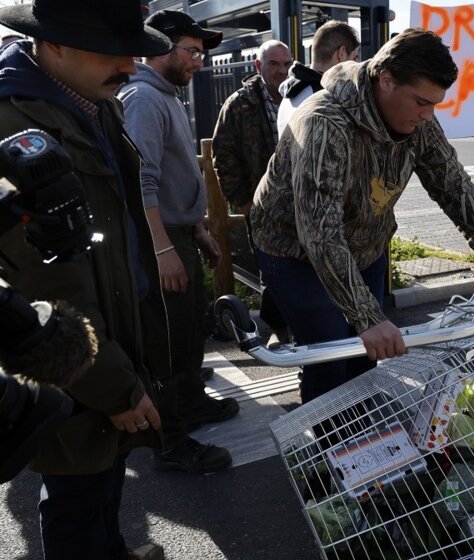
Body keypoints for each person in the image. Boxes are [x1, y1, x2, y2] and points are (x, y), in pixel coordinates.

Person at [250, 28, 474, 403]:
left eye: (435, 104)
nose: (428, 116)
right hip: (295, 252)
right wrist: (367, 317)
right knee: (330, 355)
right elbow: (320, 234)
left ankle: (362, 444)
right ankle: (326, 450)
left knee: (368, 354)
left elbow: (448, 176)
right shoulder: (323, 122)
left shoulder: (416, 118)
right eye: (421, 102)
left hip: (366, 244)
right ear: (386, 79)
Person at [0, 1, 171, 558]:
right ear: (55, 44)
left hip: (109, 334)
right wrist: (113, 385)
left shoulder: (89, 100)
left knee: (105, 474)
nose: (130, 64)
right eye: (112, 49)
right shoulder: (12, 120)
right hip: (75, 355)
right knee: (76, 491)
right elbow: (45, 281)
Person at [118, 9, 237, 474]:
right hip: (159, 244)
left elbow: (171, 178)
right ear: (161, 46)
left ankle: (190, 406)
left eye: (201, 53)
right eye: (191, 51)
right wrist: (164, 248)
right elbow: (141, 183)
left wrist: (199, 229)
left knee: (188, 334)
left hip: (178, 236)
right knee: (165, 345)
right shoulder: (144, 99)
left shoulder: (165, 95)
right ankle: (170, 444)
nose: (199, 62)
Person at [211, 39, 293, 349]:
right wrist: (243, 201)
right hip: (260, 205)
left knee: (294, 266)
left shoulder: (300, 98)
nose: (281, 71)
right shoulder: (240, 104)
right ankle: (278, 328)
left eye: (286, 64)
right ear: (258, 67)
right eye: (274, 64)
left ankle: (287, 324)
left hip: (298, 203)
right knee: (270, 268)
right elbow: (223, 155)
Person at [276, 20, 359, 137]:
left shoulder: (289, 95)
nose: (355, 66)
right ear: (341, 53)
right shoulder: (324, 99)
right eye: (354, 58)